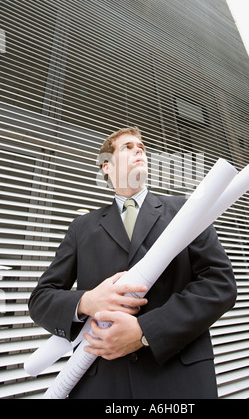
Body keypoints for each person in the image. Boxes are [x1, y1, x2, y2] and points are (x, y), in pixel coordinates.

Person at [29, 126, 237, 399]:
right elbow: (41, 299)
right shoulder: (82, 227)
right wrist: (86, 301)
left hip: (177, 379)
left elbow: (219, 284)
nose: (139, 149)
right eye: (127, 147)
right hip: (102, 385)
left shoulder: (185, 209)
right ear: (106, 166)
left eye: (142, 147)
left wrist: (145, 332)